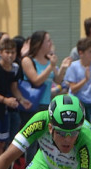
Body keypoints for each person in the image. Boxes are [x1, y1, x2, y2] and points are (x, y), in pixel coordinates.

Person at [20, 30, 71, 161]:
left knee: (46, 141)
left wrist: (63, 67)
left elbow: (58, 80)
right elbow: (36, 80)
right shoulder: (28, 60)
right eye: (48, 41)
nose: (51, 43)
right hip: (32, 105)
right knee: (32, 141)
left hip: (46, 104)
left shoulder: (49, 60)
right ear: (39, 43)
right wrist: (51, 66)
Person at [0, 38, 31, 169]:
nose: (10, 55)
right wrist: (5, 100)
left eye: (13, 52)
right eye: (7, 52)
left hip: (4, 109)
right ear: (1, 52)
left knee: (2, 143)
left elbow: (14, 88)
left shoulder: (14, 67)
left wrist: (21, 100)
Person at [64, 37, 91, 135]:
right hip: (78, 103)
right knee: (77, 131)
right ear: (81, 53)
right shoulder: (73, 66)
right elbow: (73, 89)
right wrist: (86, 79)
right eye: (90, 52)